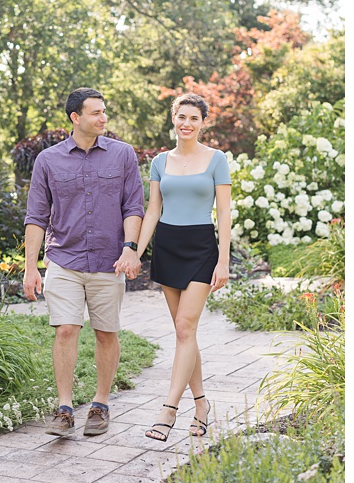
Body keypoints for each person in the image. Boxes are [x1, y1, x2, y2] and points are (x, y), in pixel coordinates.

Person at [23, 87, 145, 438]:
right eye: (96, 113)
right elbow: (36, 217)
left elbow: (133, 206)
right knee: (65, 329)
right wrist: (32, 267)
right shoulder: (48, 160)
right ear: (76, 118)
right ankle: (64, 409)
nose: (103, 118)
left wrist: (130, 247)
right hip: (64, 257)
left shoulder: (122, 155)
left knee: (106, 333)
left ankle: (100, 404)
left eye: (105, 112)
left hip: (110, 261)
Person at [135, 93, 231, 442]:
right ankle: (202, 405)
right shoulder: (160, 162)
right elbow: (153, 211)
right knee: (183, 332)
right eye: (181, 117)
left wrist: (223, 259)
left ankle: (168, 410)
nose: (187, 124)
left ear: (203, 122)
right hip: (168, 246)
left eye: (194, 118)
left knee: (185, 327)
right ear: (173, 119)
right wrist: (135, 251)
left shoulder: (217, 159)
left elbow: (223, 212)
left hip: (202, 247)